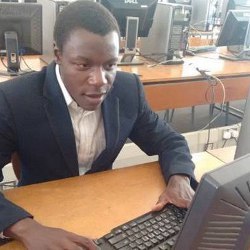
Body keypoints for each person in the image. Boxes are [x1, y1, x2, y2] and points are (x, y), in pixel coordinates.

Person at [0, 1, 197, 249]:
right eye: (84, 65)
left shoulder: (127, 90)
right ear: (58, 55)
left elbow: (170, 140)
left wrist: (179, 179)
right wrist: (27, 228)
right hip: (42, 212)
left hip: (102, 206)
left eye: (110, 65)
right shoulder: (14, 99)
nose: (100, 81)